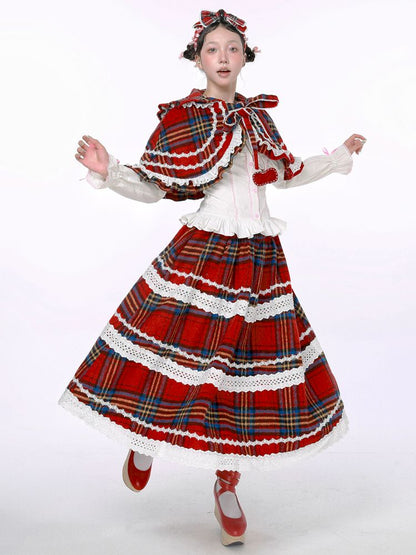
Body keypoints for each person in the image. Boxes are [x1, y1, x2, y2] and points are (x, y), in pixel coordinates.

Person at [59, 9, 366, 546]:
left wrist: (338, 157)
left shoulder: (259, 118)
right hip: (205, 253)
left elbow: (287, 174)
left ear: (246, 56)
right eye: (212, 49)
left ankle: (227, 483)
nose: (223, 57)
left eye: (232, 48)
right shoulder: (185, 118)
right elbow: (155, 187)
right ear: (197, 59)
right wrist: (110, 173)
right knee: (175, 353)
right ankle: (145, 436)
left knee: (241, 374)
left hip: (260, 261)